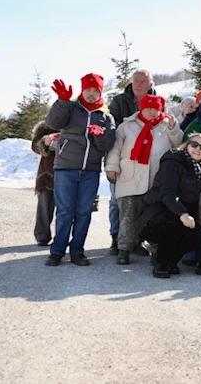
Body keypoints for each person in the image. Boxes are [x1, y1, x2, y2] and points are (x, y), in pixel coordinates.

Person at [44, 73, 116, 267]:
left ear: (100, 92)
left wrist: (100, 136)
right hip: (66, 168)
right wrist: (62, 101)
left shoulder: (105, 116)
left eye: (96, 90)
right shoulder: (71, 108)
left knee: (84, 212)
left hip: (90, 172)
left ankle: (77, 251)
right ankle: (57, 251)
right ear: (82, 90)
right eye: (88, 89)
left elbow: (107, 144)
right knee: (65, 211)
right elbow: (53, 123)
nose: (91, 94)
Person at [104, 95, 182, 265]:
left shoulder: (165, 125)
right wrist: (112, 167)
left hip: (156, 180)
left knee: (153, 216)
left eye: (156, 109)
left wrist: (173, 128)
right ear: (141, 108)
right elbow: (115, 149)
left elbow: (179, 144)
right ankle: (124, 249)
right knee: (128, 215)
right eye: (149, 108)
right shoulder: (126, 126)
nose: (153, 112)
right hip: (129, 177)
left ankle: (154, 249)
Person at [136, 133, 201, 278]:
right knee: (172, 223)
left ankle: (171, 260)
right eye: (194, 144)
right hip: (153, 215)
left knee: (198, 234)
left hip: (178, 215)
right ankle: (161, 264)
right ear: (187, 145)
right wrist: (183, 214)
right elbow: (167, 192)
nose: (198, 149)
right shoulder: (173, 161)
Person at [107, 70, 156, 256]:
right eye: (136, 80)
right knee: (116, 200)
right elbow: (112, 126)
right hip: (124, 156)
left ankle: (137, 240)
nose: (138, 84)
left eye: (143, 81)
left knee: (141, 201)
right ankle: (116, 236)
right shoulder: (120, 101)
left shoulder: (157, 101)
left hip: (146, 160)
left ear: (150, 84)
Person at [30, 121, 60, 246]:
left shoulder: (76, 122)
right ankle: (42, 235)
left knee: (67, 209)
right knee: (45, 204)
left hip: (72, 170)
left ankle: (62, 237)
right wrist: (45, 142)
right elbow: (35, 146)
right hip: (48, 173)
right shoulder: (46, 126)